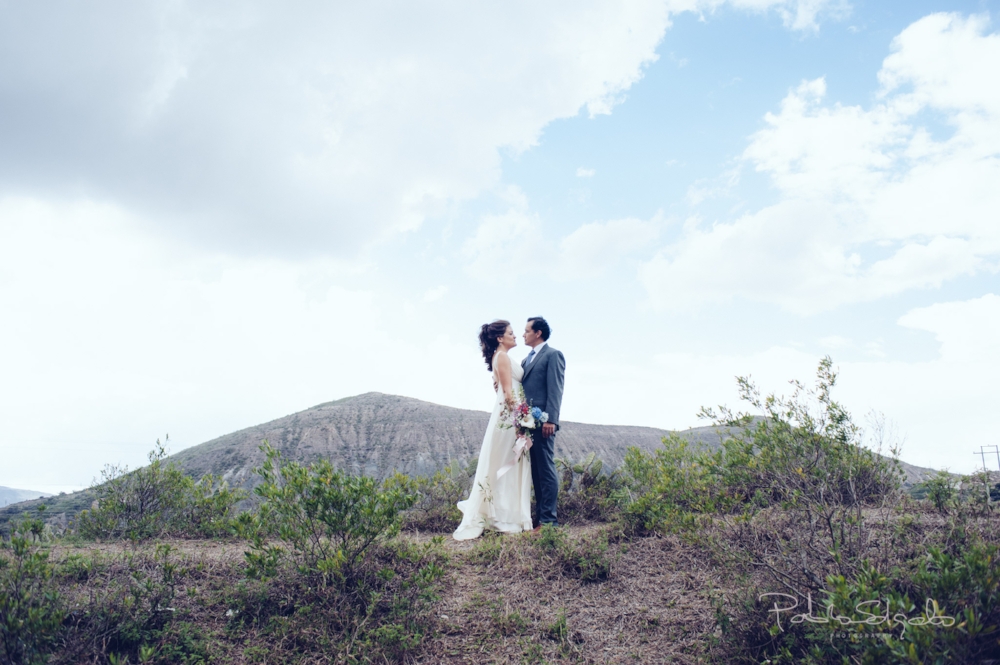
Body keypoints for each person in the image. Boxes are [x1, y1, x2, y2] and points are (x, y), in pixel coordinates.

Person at [453, 320, 533, 540]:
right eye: (510, 333)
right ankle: (504, 518)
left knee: (503, 465)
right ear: (500, 338)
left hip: (505, 417)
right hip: (510, 419)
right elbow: (508, 392)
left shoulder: (498, 357)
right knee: (508, 465)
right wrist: (520, 424)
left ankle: (502, 514)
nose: (515, 336)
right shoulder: (503, 357)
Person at [521, 316, 565, 529]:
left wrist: (552, 420)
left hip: (544, 423)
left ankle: (549, 521)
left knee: (546, 470)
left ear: (538, 333)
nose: (523, 334)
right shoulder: (525, 360)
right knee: (535, 472)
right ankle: (539, 520)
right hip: (526, 424)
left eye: (527, 330)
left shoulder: (553, 355)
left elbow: (555, 389)